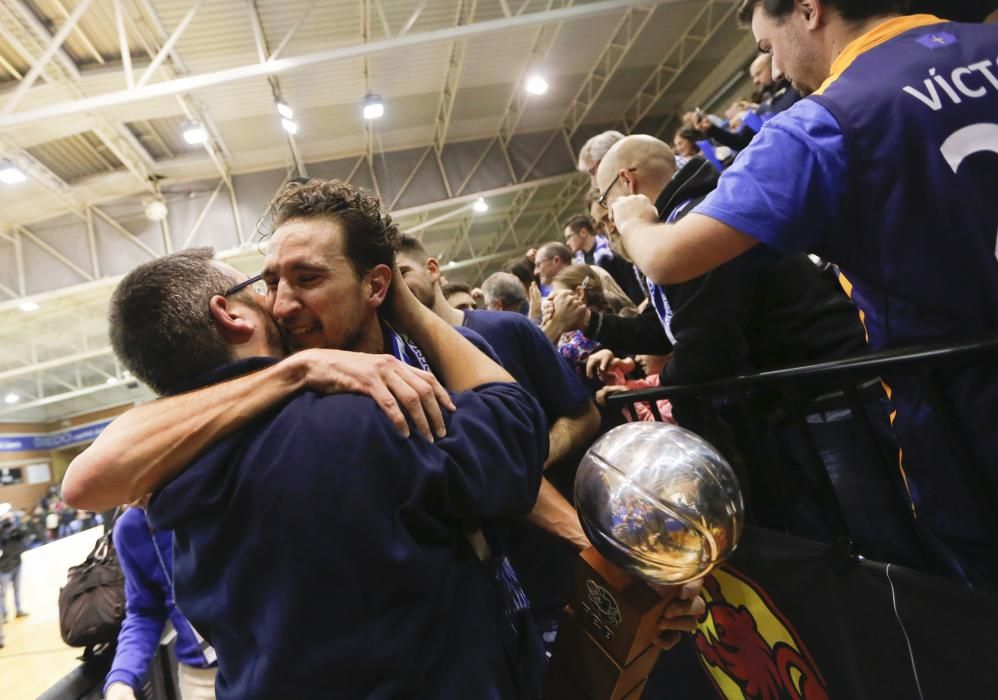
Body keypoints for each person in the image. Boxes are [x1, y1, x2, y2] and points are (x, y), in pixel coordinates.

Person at [611, 1, 998, 588]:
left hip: (966, 420)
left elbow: (669, 258)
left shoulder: (825, 120)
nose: (775, 69)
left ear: (809, 11)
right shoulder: (985, 41)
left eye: (768, 47)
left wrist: (635, 222)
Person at [106, 244, 547, 695]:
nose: (277, 302)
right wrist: (408, 307)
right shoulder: (360, 419)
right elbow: (515, 436)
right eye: (259, 287)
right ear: (229, 315)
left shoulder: (166, 481)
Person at [396, 233, 602, 648]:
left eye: (403, 274)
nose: (394, 290)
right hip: (487, 582)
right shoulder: (394, 364)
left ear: (432, 270)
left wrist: (522, 461)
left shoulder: (508, 329)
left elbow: (583, 414)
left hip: (563, 547)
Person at [104, 507, 217, 700]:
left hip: (262, 663)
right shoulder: (130, 529)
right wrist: (121, 678)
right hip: (200, 679)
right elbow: (144, 612)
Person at [564, 214, 644, 304]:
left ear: (583, 232)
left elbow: (631, 282)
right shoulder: (580, 265)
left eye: (569, 237)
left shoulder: (611, 251)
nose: (567, 243)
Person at [0, 514, 28, 623]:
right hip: (4, 567)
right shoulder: (2, 534)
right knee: (2, 593)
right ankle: (3, 615)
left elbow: (23, 533)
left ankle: (19, 610)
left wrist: (14, 526)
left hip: (17, 563)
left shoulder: (15, 531)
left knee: (17, 589)